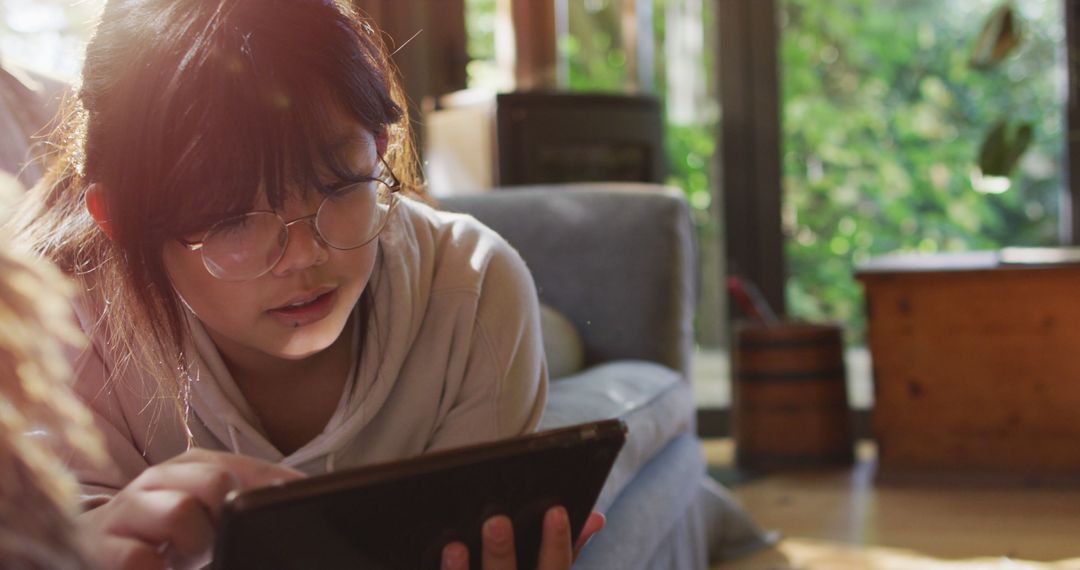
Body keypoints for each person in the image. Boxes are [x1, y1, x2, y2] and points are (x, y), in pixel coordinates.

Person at [7, 0, 602, 568]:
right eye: (231, 218)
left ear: (378, 149)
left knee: (555, 338)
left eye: (341, 183)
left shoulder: (474, 287)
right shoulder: (50, 328)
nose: (304, 255)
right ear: (123, 222)